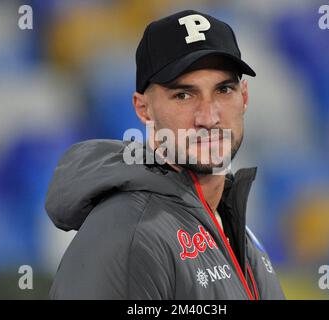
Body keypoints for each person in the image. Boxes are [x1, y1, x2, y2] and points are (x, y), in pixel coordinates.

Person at [45, 9, 285, 300]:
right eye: (183, 95)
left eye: (223, 90)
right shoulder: (129, 236)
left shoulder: (230, 222)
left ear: (244, 97)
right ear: (142, 108)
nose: (208, 117)